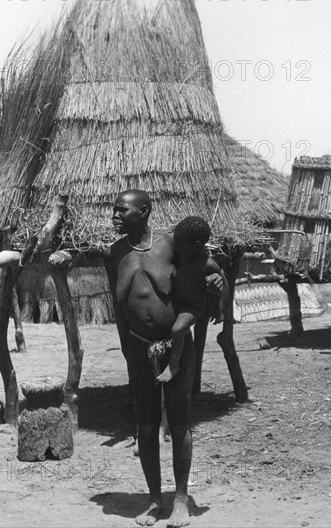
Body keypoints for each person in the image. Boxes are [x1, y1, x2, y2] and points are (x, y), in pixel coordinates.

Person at [103, 190, 223, 527]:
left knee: (181, 421)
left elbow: (210, 270)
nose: (114, 216)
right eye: (113, 210)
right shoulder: (114, 253)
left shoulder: (172, 245)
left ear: (143, 212)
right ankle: (155, 501)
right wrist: (126, 348)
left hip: (174, 345)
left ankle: (181, 499)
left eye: (120, 210)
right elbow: (119, 307)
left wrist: (217, 282)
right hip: (137, 346)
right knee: (145, 423)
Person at [157, 216, 228, 383]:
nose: (176, 246)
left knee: (177, 330)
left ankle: (174, 364)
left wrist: (222, 309)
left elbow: (224, 284)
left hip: (193, 306)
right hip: (179, 301)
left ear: (196, 245)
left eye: (180, 244)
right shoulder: (183, 255)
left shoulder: (207, 264)